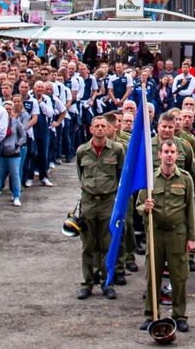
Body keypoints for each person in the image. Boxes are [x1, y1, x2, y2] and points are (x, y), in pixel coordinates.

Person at [137, 140, 195, 334]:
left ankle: (180, 316)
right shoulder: (150, 178)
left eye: (172, 152)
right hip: (156, 233)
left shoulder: (185, 179)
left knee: (179, 277)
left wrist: (191, 237)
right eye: (166, 152)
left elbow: (191, 210)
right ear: (159, 155)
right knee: (152, 276)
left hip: (177, 233)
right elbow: (138, 205)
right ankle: (151, 314)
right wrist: (144, 208)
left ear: (177, 155)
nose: (169, 155)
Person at [74, 113, 124, 300]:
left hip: (107, 202)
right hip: (88, 202)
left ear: (108, 129)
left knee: (107, 245)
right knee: (88, 245)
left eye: (104, 126)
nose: (101, 129)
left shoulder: (117, 149)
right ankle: (87, 283)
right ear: (91, 129)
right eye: (97, 126)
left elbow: (121, 176)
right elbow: (81, 174)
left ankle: (107, 283)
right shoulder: (82, 151)